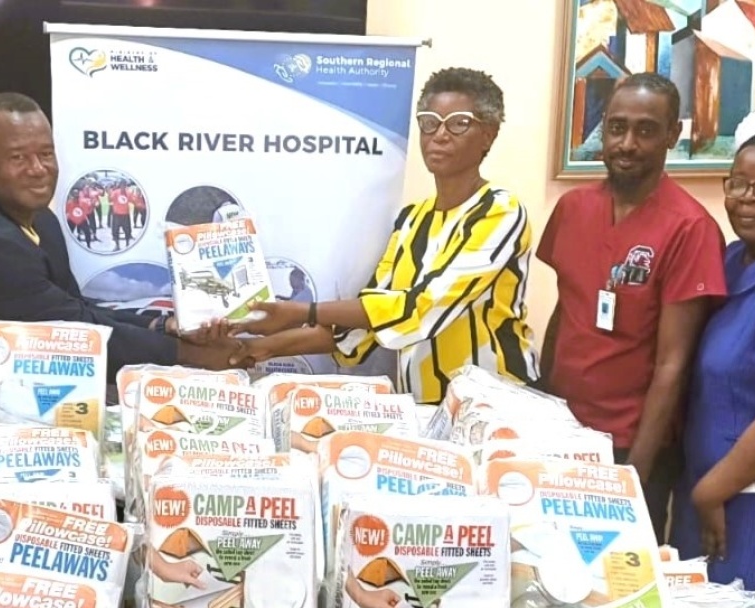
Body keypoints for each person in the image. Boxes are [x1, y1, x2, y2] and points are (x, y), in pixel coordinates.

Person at [219, 67, 539, 405]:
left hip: (497, 405)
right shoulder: (412, 220)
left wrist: (303, 312)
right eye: (429, 122)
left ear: (488, 135)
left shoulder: (500, 211)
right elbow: (367, 328)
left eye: (458, 123)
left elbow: (421, 309)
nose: (440, 135)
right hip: (424, 407)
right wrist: (260, 348)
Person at [0, 92, 240, 374]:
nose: (38, 169)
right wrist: (202, 357)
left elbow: (74, 310)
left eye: (46, 154)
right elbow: (74, 337)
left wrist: (164, 325)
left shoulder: (37, 217)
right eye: (18, 157)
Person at [537, 72, 726, 544]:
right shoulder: (572, 208)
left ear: (671, 135)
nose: (626, 143)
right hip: (561, 433)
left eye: (645, 130)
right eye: (616, 127)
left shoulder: (690, 228)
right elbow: (566, 310)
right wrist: (542, 409)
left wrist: (634, 475)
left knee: (614, 586)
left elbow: (673, 363)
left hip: (630, 444)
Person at [670, 135, 755, 587]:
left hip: (744, 503)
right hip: (701, 496)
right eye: (739, 183)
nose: (749, 198)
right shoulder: (725, 261)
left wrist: (713, 490)